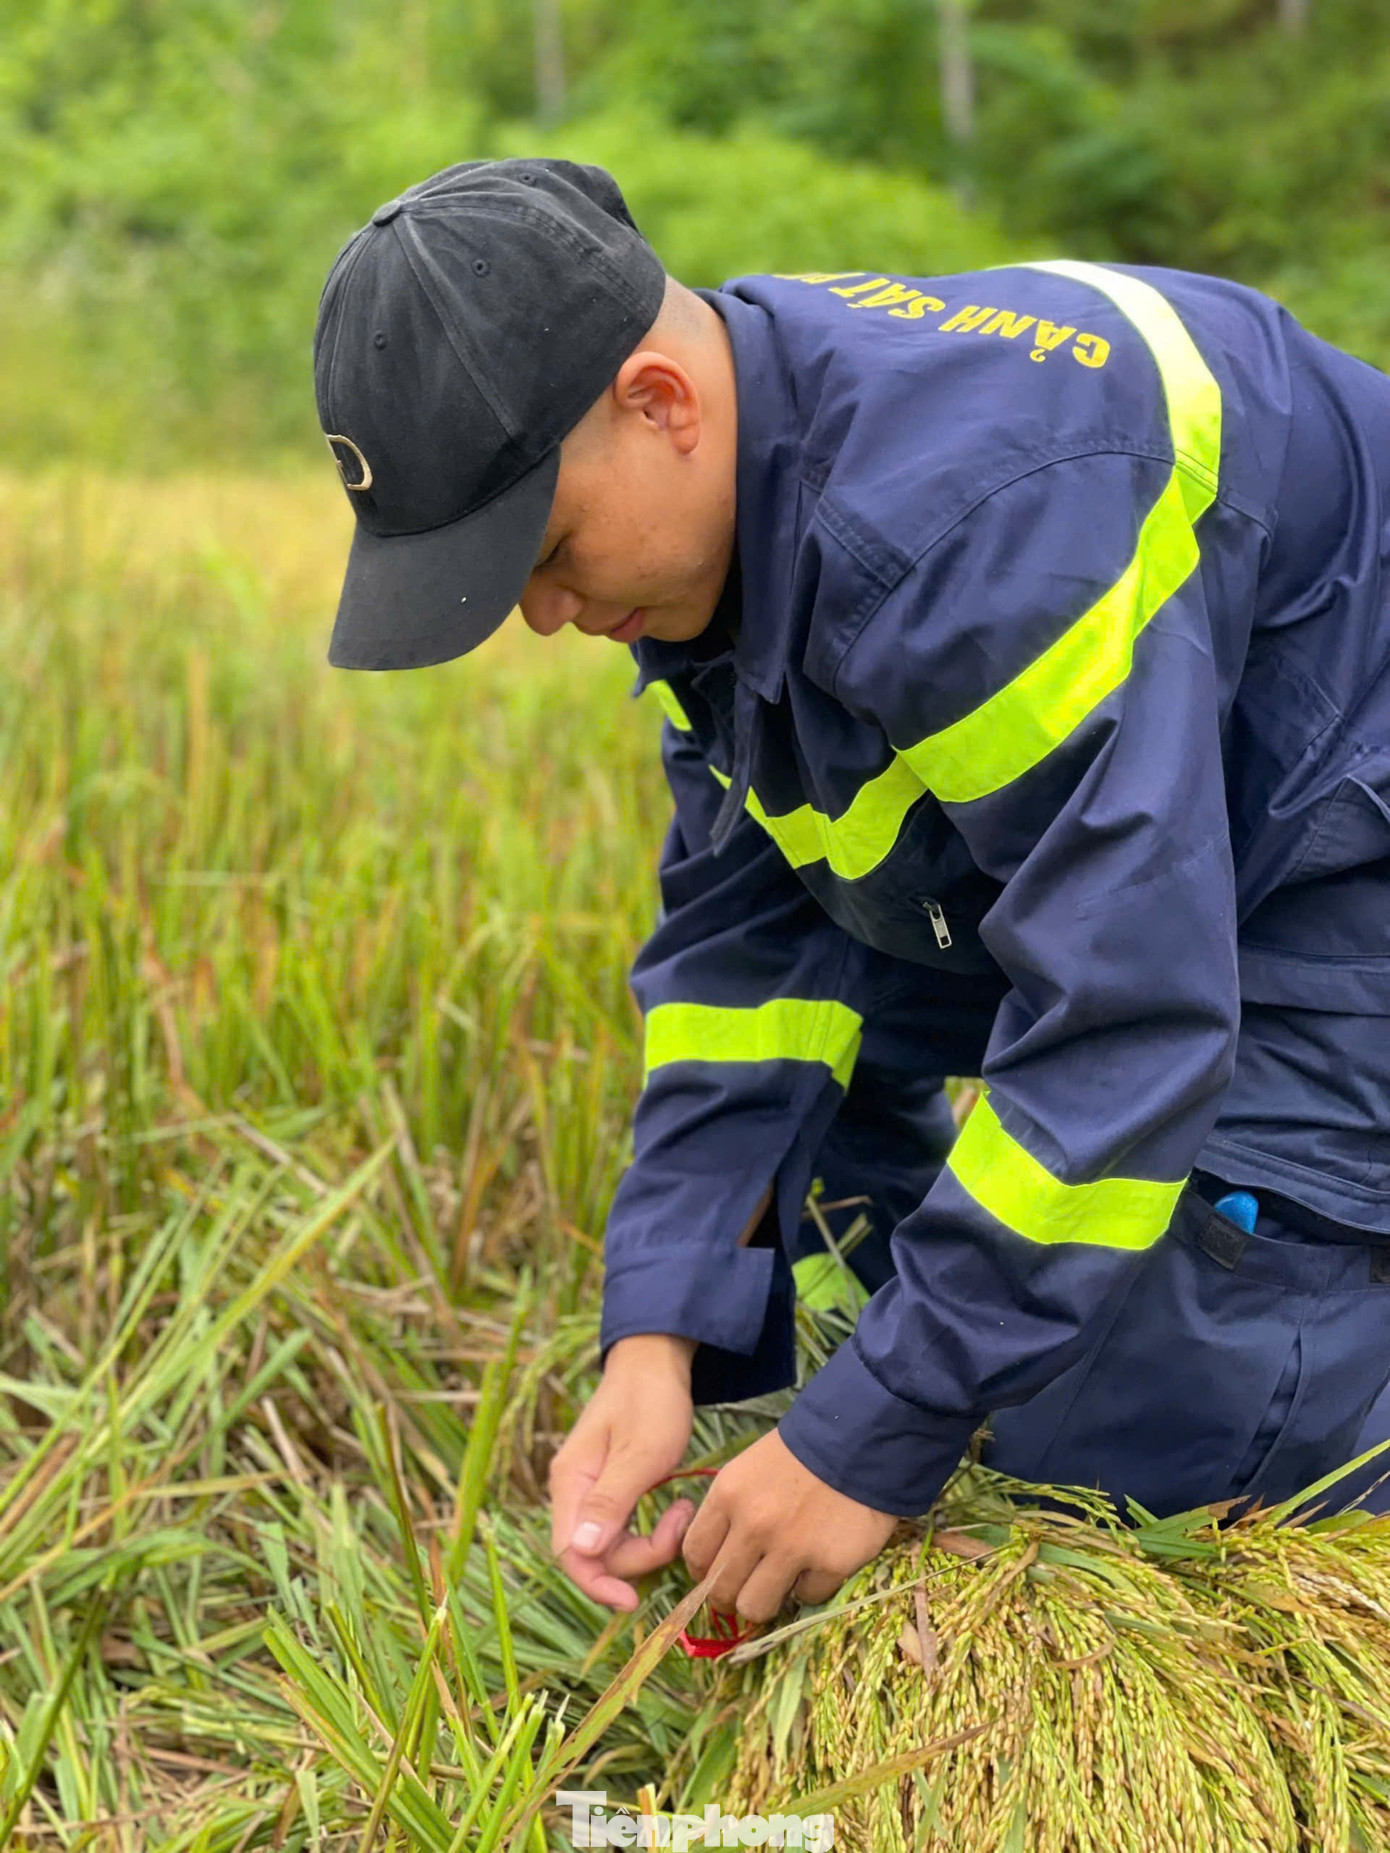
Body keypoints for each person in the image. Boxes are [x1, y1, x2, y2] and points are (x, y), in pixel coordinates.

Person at [313, 156, 1390, 1626]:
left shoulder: (964, 532)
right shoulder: (733, 517)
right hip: (1192, 816)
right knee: (860, 1234)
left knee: (1115, 1472)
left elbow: (1127, 1011)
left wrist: (871, 1433)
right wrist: (661, 1334)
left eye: (546, 551)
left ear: (660, 403)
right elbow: (745, 951)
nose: (551, 617)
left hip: (1339, 837)